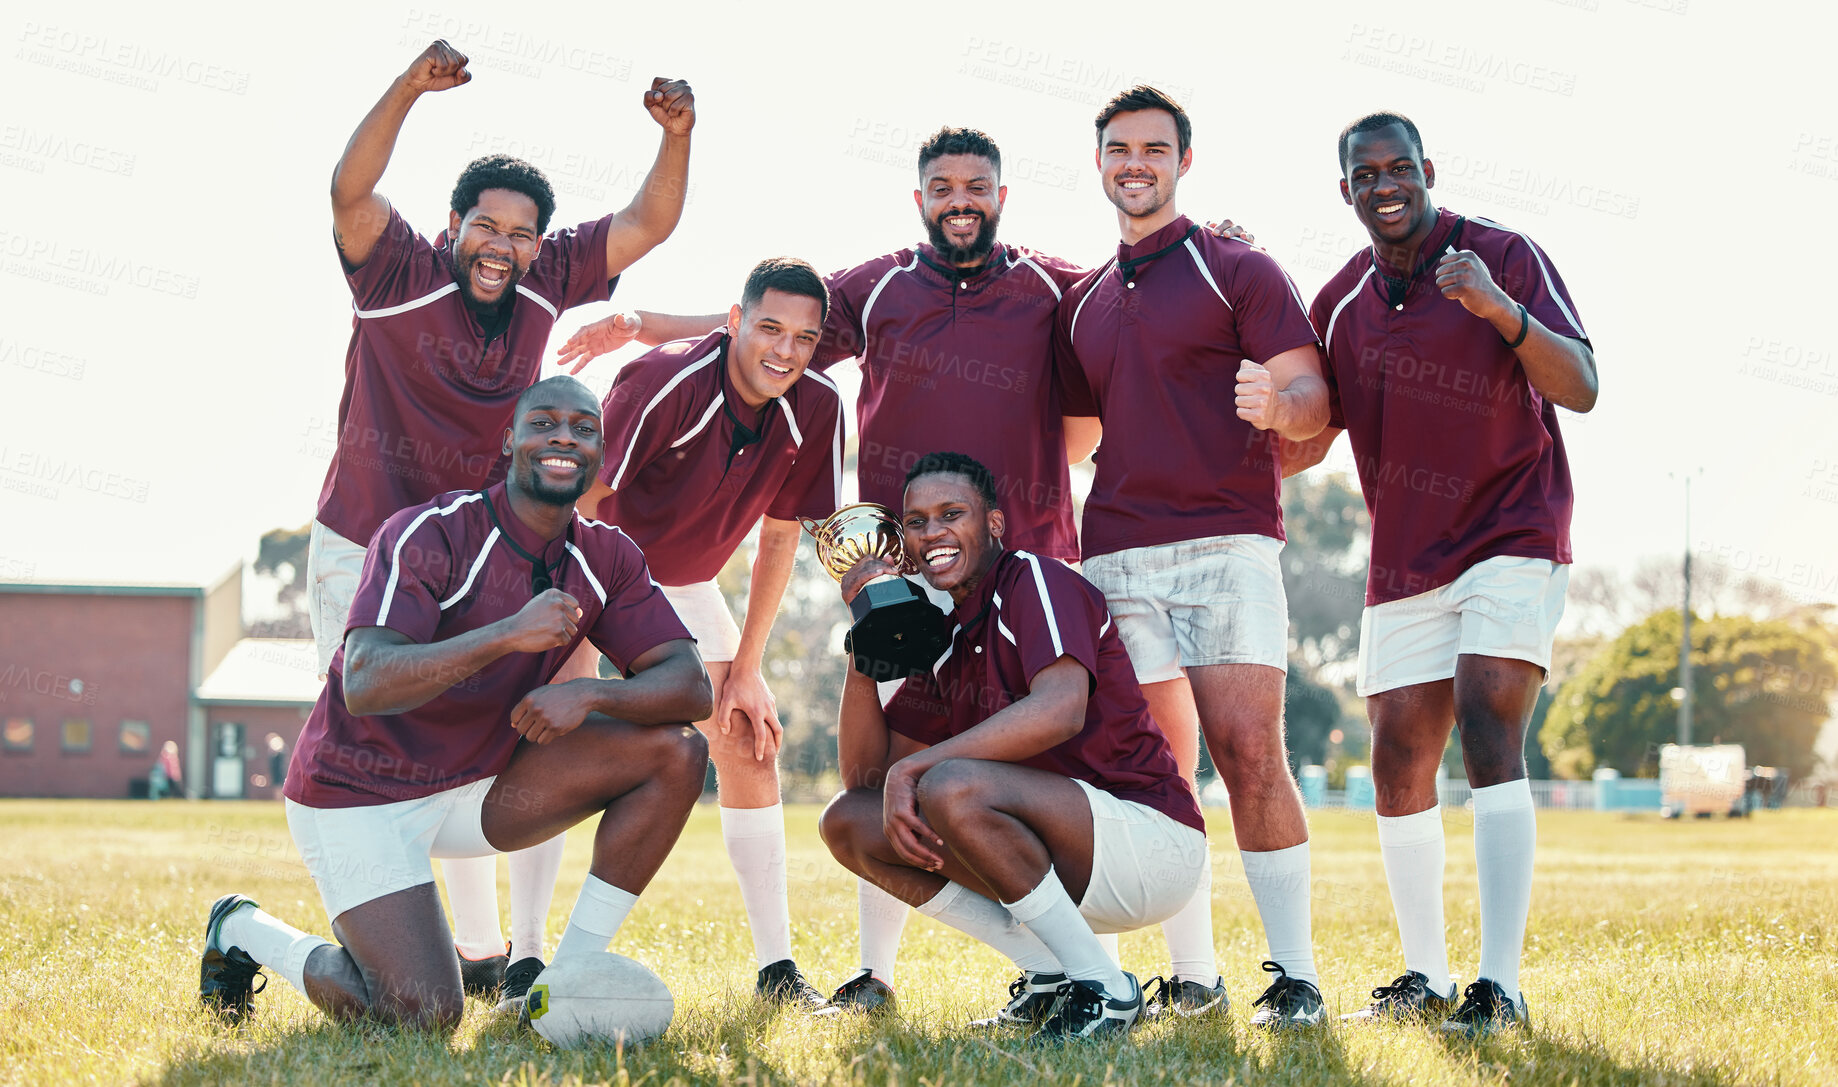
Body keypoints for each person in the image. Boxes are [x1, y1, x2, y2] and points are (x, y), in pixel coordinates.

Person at [553, 128, 1247, 1011]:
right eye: (943, 185)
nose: (962, 198)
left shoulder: (1050, 285)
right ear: (919, 198)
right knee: (889, 774)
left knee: (1116, 754)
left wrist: (1211, 249)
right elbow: (778, 326)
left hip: (1026, 562)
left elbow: (1139, 306)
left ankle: (1193, 977)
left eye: (978, 184)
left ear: (1002, 194)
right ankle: (877, 975)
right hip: (901, 574)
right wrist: (653, 324)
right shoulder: (878, 286)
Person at [309, 39, 696, 1000]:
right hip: (365, 542)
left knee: (479, 740)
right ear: (452, 226)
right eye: (484, 225)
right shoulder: (397, 270)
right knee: (377, 743)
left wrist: (679, 134)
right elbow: (348, 189)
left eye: (520, 234)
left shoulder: (545, 280)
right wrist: (407, 88)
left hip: (473, 552)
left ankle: (490, 956)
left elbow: (652, 218)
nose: (502, 244)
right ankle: (381, 943)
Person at [200, 376, 712, 1029]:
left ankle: (556, 989)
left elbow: (690, 685)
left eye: (583, 428)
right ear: (509, 441)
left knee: (676, 751)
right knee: (424, 1014)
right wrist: (507, 634)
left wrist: (589, 691)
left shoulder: (605, 554)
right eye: (544, 422)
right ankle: (243, 929)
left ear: (599, 453)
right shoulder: (428, 533)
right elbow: (366, 679)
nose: (564, 436)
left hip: (481, 787)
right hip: (360, 793)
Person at [1286, 111, 1596, 1035]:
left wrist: (1499, 309)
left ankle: (1498, 986)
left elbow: (1579, 383)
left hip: (1513, 528)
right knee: (1395, 760)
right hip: (1405, 553)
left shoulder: (1504, 253)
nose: (1387, 185)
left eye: (1401, 168)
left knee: (1488, 723)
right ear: (1346, 189)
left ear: (1429, 170)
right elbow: (1305, 434)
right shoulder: (1340, 301)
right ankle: (1424, 975)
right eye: (1367, 173)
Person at [1054, 85, 1330, 1028]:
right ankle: (1194, 974)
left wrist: (1279, 405)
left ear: (1183, 162)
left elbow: (1309, 393)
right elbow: (1077, 437)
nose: (1137, 163)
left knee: (1251, 753)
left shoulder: (1238, 268)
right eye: (1120, 148)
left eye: (1155, 149)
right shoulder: (1082, 301)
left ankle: (1294, 976)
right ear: (1099, 163)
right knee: (1148, 774)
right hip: (1116, 558)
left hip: (1228, 544)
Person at [817, 452, 1206, 1041]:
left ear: (994, 524)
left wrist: (919, 767)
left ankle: (1105, 986)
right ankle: (1049, 973)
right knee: (849, 822)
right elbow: (868, 780)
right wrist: (865, 639)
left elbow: (1060, 709)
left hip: (1149, 841)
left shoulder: (1036, 582)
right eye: (916, 522)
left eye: (953, 514)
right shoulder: (945, 634)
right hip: (1065, 858)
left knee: (951, 783)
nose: (933, 533)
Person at [570, 258, 844, 1007]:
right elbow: (587, 506)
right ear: (734, 320)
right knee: (548, 736)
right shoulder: (659, 382)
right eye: (769, 329)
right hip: (594, 571)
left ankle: (778, 971)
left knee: (749, 734)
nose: (785, 351)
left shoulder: (816, 408)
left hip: (684, 584)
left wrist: (748, 665)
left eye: (804, 337)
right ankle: (525, 959)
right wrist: (584, 637)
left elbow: (780, 538)